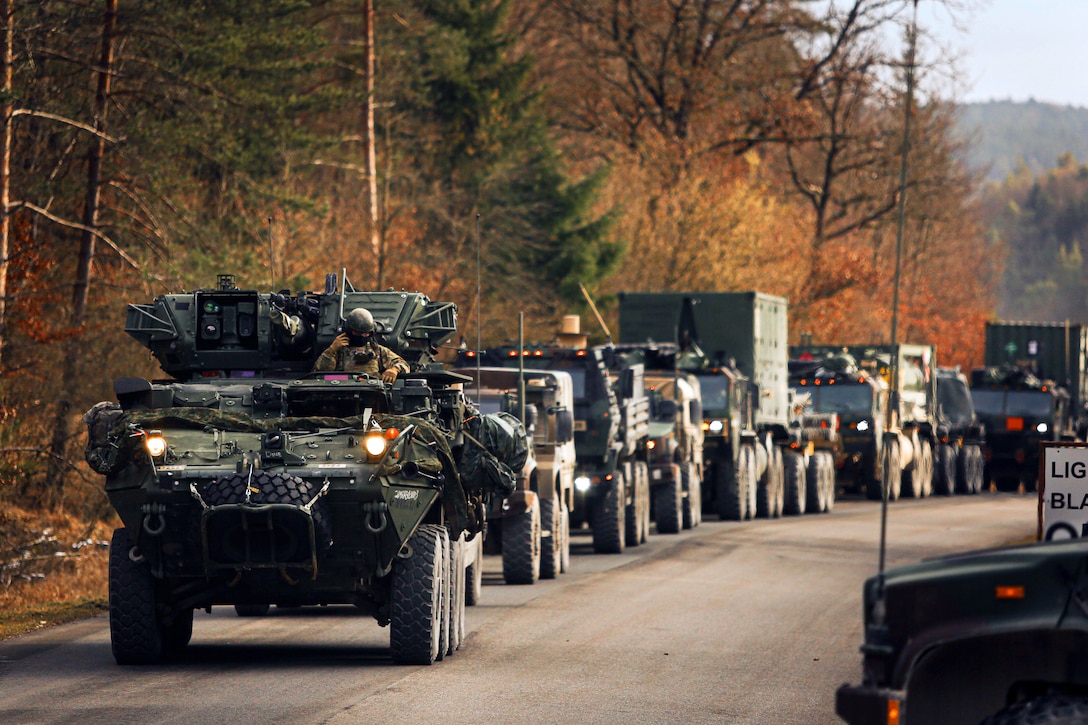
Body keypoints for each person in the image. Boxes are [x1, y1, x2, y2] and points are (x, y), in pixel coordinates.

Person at [312, 308, 410, 383]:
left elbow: (403, 364)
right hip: (342, 393)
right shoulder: (338, 350)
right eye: (357, 333)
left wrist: (394, 370)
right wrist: (332, 350)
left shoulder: (378, 350)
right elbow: (320, 373)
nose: (362, 336)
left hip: (373, 394)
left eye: (366, 334)